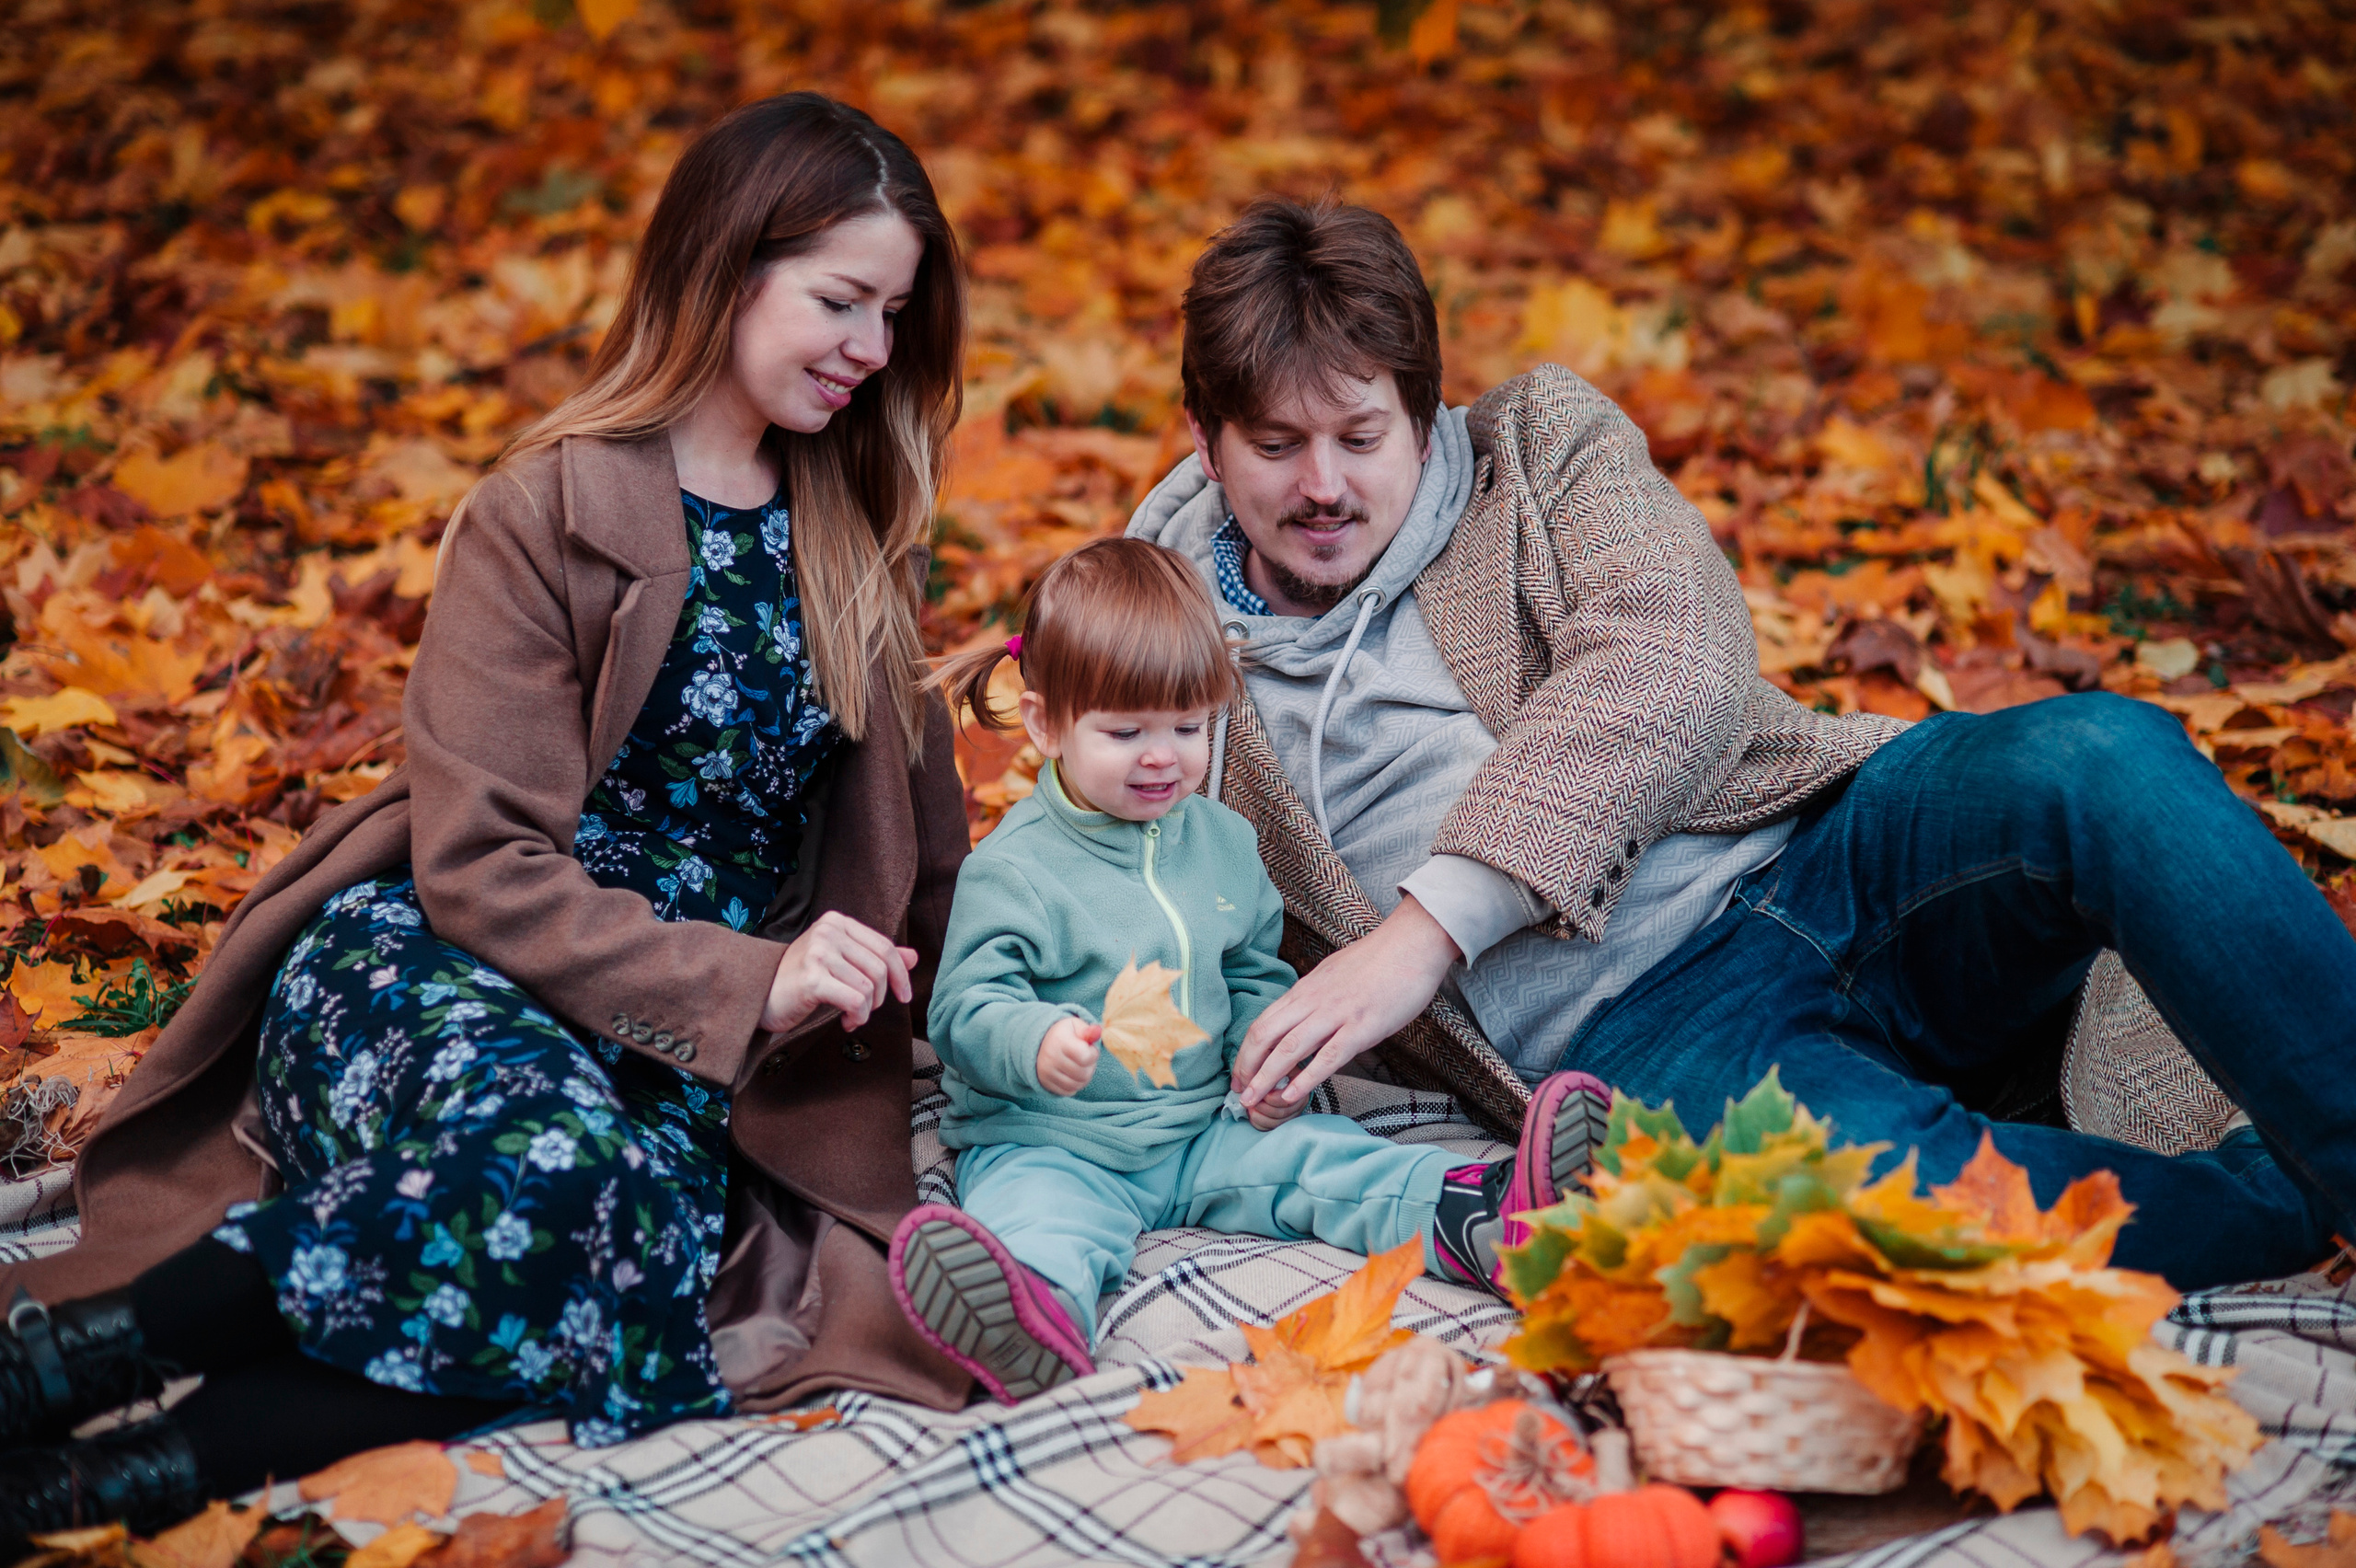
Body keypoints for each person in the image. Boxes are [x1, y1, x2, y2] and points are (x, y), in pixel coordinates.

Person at [0, 93, 976, 1547]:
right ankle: (56, 1370)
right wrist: (750, 977)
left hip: (665, 1055)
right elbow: (483, 868)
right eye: (842, 300)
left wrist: (1040, 987)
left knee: (627, 1295)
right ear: (723, 267)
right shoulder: (543, 512)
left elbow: (929, 865)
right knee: (550, 1179)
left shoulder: (848, 546)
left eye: (894, 313)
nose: (874, 350)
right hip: (451, 967)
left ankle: (85, 1487)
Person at [1126, 197, 2355, 1293]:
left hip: (1830, 843)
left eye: (1359, 436)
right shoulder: (1158, 644)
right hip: (1650, 1030)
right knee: (1874, 1202)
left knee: (2100, 759)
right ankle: (2277, 1205)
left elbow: (1675, 658)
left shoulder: (1538, 446)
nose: (1323, 486)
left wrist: (1420, 936)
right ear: (1205, 439)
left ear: (1425, 411)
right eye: (1276, 446)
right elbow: (1110, 860)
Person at [883, 538, 1610, 1402]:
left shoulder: (1221, 841)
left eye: (1188, 727)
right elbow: (964, 1006)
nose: (1163, 757)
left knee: (1330, 1162)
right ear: (1045, 725)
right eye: (1124, 732)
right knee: (1044, 1225)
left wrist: (1266, 1065)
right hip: (1055, 1142)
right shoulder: (1015, 870)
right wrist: (1032, 1039)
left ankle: (1493, 1221)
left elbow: (1252, 966)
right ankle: (1026, 1321)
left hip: (1200, 1128)